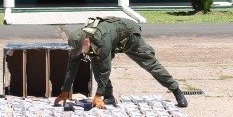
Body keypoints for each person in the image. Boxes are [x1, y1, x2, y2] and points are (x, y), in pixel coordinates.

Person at [53, 15, 188, 108]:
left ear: (87, 41)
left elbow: (106, 69)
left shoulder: (102, 41)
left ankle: (176, 90)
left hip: (129, 37)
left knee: (150, 64)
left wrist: (98, 95)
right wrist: (65, 90)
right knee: (96, 67)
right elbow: (72, 65)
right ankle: (109, 96)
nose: (80, 53)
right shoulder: (80, 41)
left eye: (81, 49)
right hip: (113, 39)